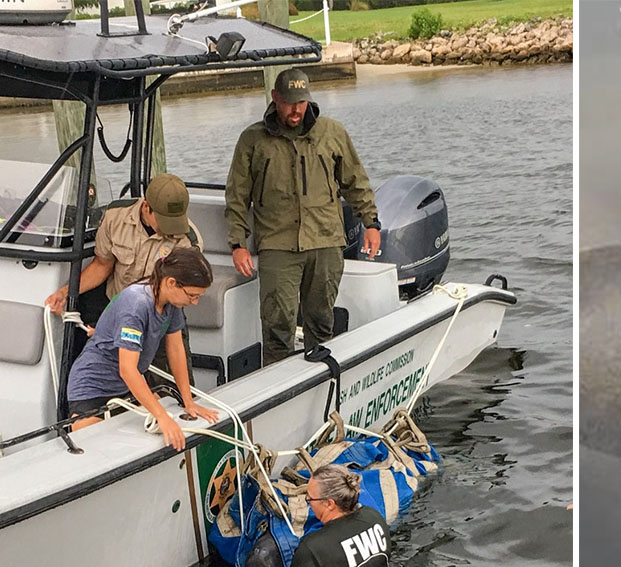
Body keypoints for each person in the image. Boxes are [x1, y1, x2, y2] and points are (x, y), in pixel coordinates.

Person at [225, 68, 382, 366]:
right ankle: (277, 391)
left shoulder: (333, 132)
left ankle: (323, 387)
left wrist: (371, 222)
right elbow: (236, 197)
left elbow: (355, 182)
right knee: (277, 328)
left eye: (301, 102)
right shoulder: (252, 140)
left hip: (325, 242)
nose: (296, 109)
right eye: (289, 102)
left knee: (322, 323)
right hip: (277, 246)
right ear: (275, 98)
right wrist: (237, 243)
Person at [45, 173, 204, 375]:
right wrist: (66, 292)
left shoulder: (188, 241)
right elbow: (102, 265)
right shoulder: (115, 216)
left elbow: (178, 293)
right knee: (105, 377)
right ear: (147, 207)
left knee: (170, 385)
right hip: (116, 308)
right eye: (165, 221)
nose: (171, 230)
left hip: (161, 317)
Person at [66, 247, 219, 449]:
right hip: (93, 387)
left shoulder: (172, 303)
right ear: (171, 282)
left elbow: (176, 350)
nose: (195, 302)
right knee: (91, 444)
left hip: (126, 387)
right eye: (192, 295)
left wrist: (188, 401)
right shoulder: (136, 305)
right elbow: (127, 369)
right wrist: (161, 416)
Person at [283, 464, 390, 567]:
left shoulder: (312, 548)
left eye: (309, 498)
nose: (308, 503)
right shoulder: (375, 517)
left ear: (329, 504)